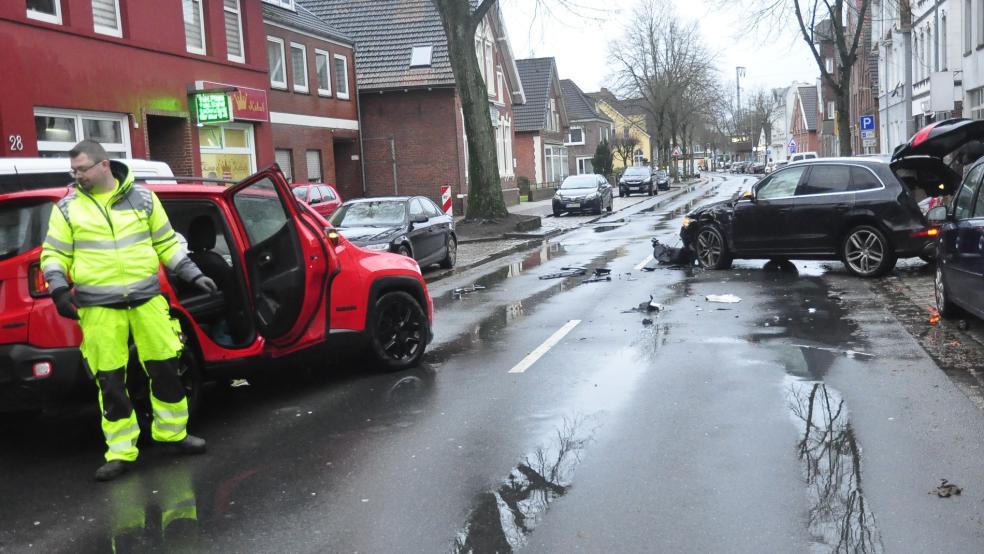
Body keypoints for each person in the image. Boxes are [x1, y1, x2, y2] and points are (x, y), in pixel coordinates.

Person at [40, 140, 217, 482]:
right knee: (109, 381)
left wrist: (194, 274)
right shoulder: (68, 208)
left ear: (104, 165)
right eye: (73, 171)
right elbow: (54, 255)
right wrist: (58, 289)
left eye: (82, 169)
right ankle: (120, 451)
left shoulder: (144, 200)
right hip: (99, 308)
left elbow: (166, 243)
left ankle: (173, 433)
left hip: (147, 301)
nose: (77, 176)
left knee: (166, 367)